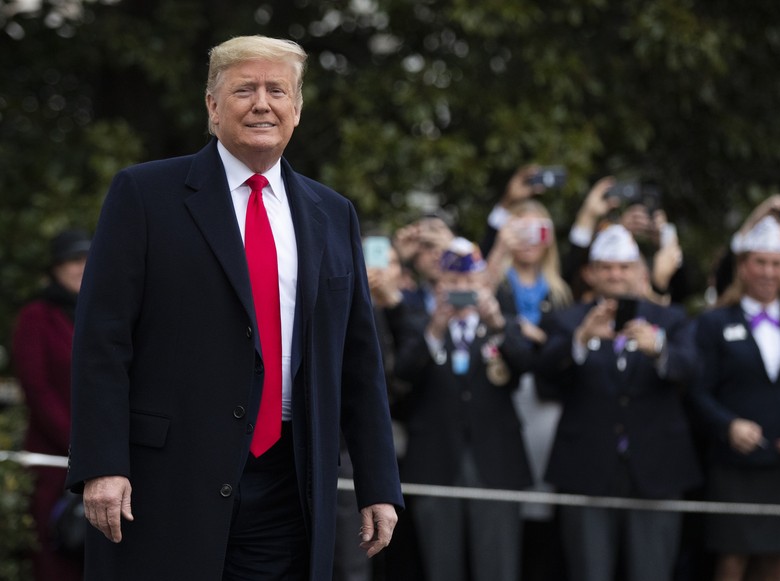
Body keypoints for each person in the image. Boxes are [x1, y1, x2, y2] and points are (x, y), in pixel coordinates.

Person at [64, 35, 402, 580]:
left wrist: (379, 484)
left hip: (290, 481)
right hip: (165, 478)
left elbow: (358, 362)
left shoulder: (333, 213)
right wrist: (102, 464)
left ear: (297, 108)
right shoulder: (145, 194)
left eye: (278, 90)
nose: (262, 103)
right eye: (244, 89)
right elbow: (102, 339)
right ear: (212, 105)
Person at [536, 224, 701, 581]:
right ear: (591, 273)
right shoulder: (567, 320)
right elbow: (544, 373)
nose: (615, 275)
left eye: (624, 267)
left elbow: (693, 370)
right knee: (588, 571)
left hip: (657, 469)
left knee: (652, 571)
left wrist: (658, 350)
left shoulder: (669, 320)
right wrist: (579, 340)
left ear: (640, 272)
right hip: (587, 469)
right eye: (607, 267)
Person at [690, 217, 780, 581]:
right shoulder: (715, 323)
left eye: (776, 264)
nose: (768, 272)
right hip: (736, 463)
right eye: (760, 263)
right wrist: (728, 425)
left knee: (779, 562)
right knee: (733, 560)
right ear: (743, 267)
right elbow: (697, 390)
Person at [393, 237, 534, 581]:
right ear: (439, 284)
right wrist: (435, 330)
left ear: (484, 284)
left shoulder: (502, 324)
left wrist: (498, 323)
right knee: (441, 566)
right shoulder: (418, 324)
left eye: (469, 282)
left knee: (498, 566)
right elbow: (402, 374)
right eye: (453, 282)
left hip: (496, 462)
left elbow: (527, 365)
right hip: (435, 460)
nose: (461, 289)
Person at [485, 199, 573, 581]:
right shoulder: (498, 280)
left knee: (543, 499)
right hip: (503, 393)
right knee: (506, 500)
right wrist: (499, 246)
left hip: (547, 402)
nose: (529, 240)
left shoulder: (560, 290)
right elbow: (477, 296)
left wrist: (540, 337)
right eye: (520, 230)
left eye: (538, 230)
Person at [11, 229, 90, 581]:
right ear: (56, 267)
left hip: (105, 460)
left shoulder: (102, 312)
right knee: (56, 561)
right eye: (74, 261)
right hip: (55, 465)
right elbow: (38, 389)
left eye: (88, 260)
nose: (82, 268)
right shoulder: (35, 317)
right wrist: (81, 446)